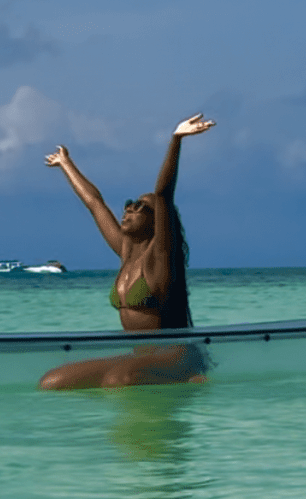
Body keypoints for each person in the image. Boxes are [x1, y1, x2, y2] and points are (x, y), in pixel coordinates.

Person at [39, 114, 215, 389]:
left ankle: (185, 380)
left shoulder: (160, 260)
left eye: (141, 207)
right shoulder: (126, 253)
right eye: (129, 204)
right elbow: (95, 204)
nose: (130, 209)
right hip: (140, 357)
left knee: (118, 380)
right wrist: (66, 163)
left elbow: (164, 193)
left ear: (157, 220)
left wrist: (176, 139)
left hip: (174, 356)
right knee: (51, 382)